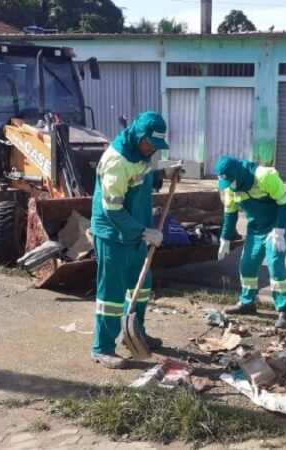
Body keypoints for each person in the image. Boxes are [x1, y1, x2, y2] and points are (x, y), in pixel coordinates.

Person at [90, 111, 182, 369]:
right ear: (139, 136)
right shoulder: (116, 161)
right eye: (149, 144)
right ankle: (103, 347)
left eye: (156, 147)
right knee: (112, 294)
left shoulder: (142, 154)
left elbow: (142, 180)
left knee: (140, 288)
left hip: (136, 233)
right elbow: (112, 209)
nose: (152, 150)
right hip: (113, 234)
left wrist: (165, 173)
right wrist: (144, 233)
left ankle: (134, 333)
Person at [215, 156, 286, 329]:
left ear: (238, 174)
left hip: (275, 228)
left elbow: (285, 202)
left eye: (231, 181)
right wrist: (225, 238)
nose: (230, 186)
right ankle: (247, 303)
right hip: (255, 229)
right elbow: (230, 213)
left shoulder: (264, 176)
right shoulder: (230, 187)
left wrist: (280, 231)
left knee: (274, 263)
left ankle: (285, 311)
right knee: (247, 265)